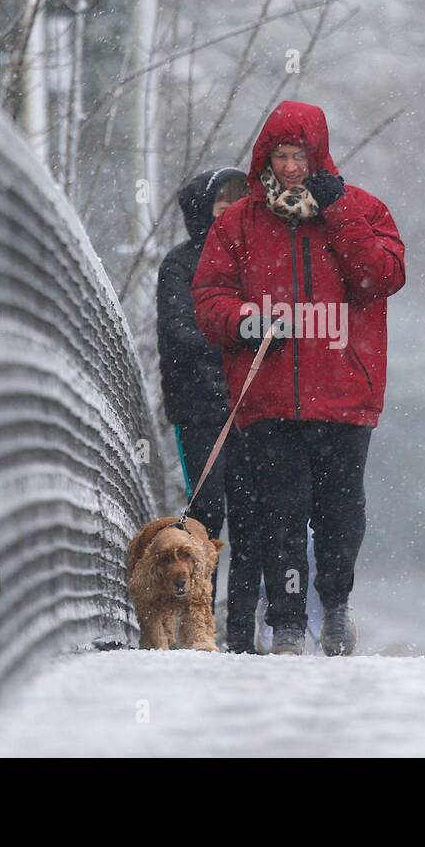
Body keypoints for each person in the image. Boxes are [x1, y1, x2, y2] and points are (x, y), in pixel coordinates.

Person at [191, 100, 406, 655]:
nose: (290, 167)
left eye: (300, 156)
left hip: (344, 395)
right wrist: (247, 320)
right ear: (266, 157)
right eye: (281, 155)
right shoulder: (238, 223)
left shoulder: (363, 210)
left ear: (319, 157)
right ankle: (286, 623)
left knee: (340, 516)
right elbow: (210, 297)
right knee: (279, 516)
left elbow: (380, 278)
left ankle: (335, 607)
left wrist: (341, 218)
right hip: (269, 398)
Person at [156, 166, 261, 652]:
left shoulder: (257, 261)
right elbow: (181, 331)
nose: (229, 208)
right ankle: (199, 626)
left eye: (238, 199)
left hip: (253, 408)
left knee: (252, 517)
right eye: (221, 199)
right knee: (207, 513)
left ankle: (241, 630)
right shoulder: (180, 266)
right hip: (200, 409)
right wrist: (239, 336)